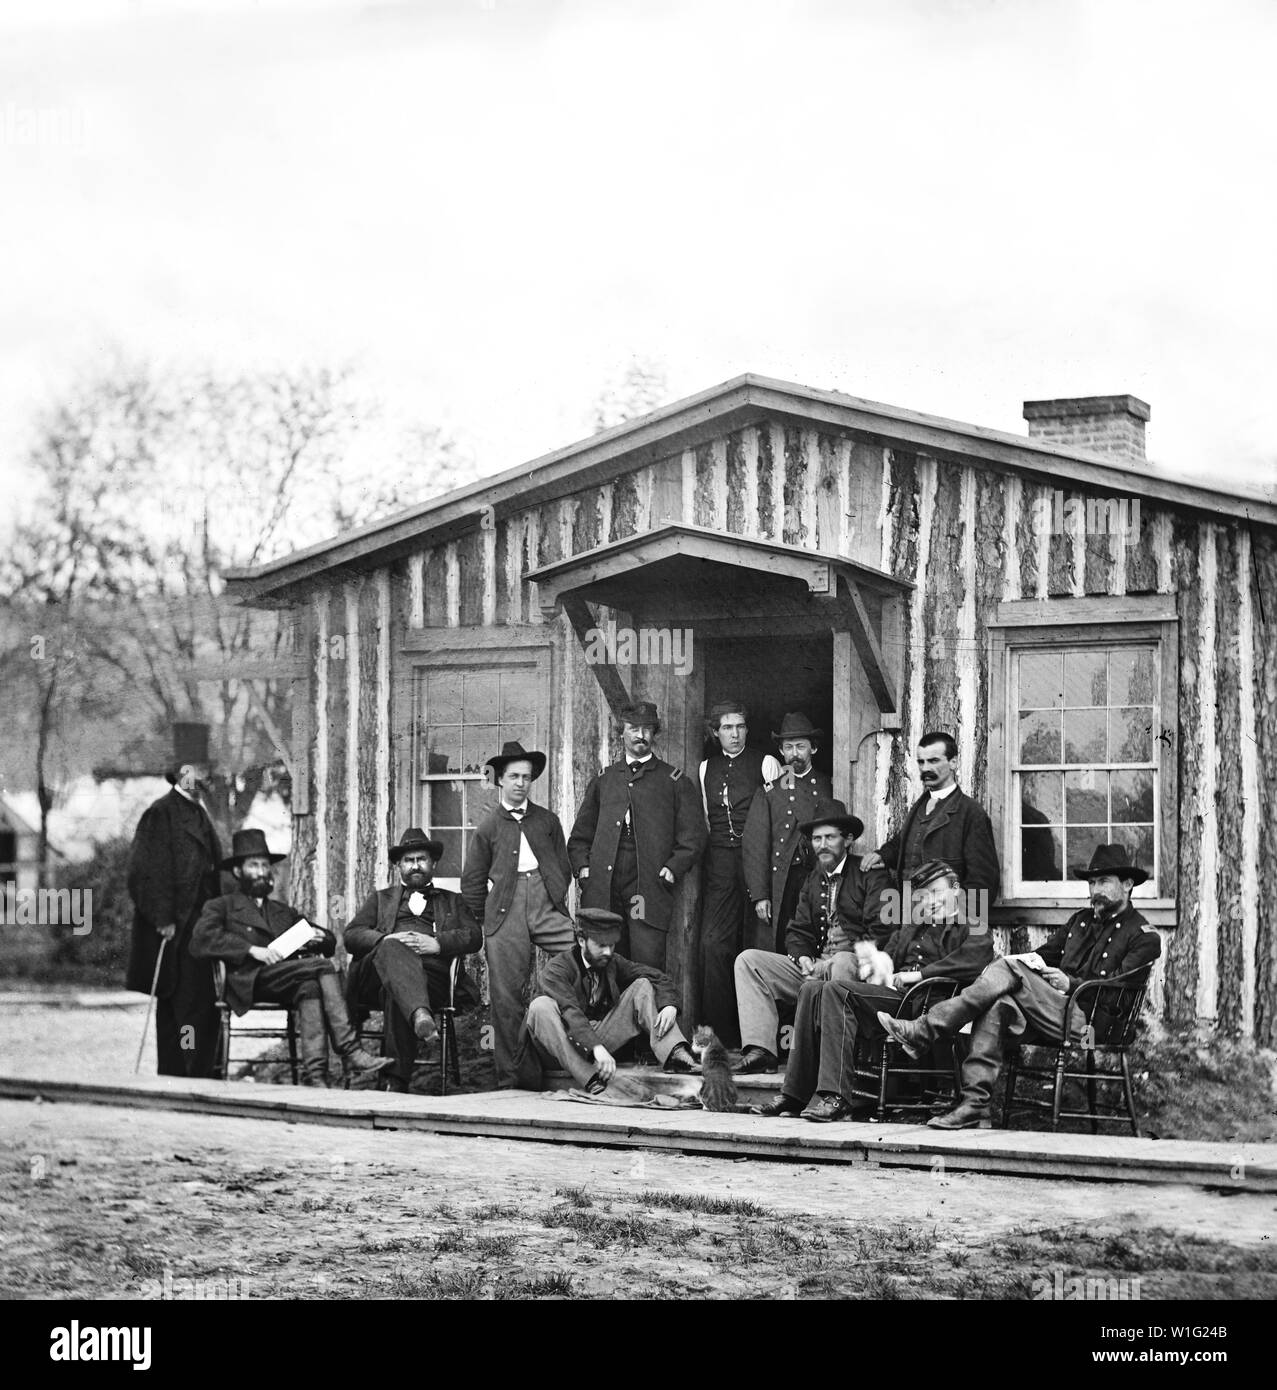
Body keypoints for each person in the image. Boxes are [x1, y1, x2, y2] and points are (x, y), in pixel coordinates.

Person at [879, 843, 1162, 1129]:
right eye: (1091, 882)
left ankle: (924, 1030)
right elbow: (1042, 955)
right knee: (997, 1004)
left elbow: (1118, 988)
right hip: (1051, 1014)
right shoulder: (1080, 921)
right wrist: (1027, 964)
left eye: (1103, 882)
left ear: (1127, 884)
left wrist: (1070, 982)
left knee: (1006, 967)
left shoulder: (1143, 935)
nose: (1094, 889)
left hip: (1091, 1027)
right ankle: (975, 1106)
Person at [751, 860, 994, 1121]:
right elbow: (888, 957)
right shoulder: (915, 925)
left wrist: (918, 975)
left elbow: (975, 960)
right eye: (923, 896)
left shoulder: (972, 921)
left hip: (927, 1005)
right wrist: (878, 962)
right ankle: (795, 1094)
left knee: (837, 991)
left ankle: (836, 1097)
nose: (930, 902)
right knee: (812, 988)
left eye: (937, 893)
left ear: (955, 890)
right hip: (897, 998)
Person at [190, 829, 391, 1087]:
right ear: (238, 872)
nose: (262, 871)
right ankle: (349, 1048)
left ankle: (316, 1076)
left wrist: (320, 937)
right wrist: (251, 950)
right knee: (320, 966)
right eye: (253, 865)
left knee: (310, 988)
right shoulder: (221, 906)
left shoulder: (281, 911)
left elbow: (328, 939)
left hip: (285, 979)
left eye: (265, 865)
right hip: (247, 979)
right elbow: (201, 940)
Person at [732, 802, 885, 1074]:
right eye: (816, 838)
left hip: (854, 968)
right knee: (749, 961)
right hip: (817, 966)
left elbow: (881, 932)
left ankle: (831, 1064)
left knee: (841, 962)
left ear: (848, 839)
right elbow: (799, 929)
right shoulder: (814, 879)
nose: (822, 845)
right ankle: (761, 1050)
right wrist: (803, 957)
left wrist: (841, 958)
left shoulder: (869, 874)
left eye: (830, 837)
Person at [462, 741, 576, 1089]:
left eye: (526, 777)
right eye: (513, 776)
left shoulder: (547, 820)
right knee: (506, 997)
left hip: (545, 902)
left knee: (581, 958)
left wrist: (554, 894)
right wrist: (488, 921)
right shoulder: (488, 827)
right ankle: (511, 1077)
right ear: (500, 780)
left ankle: (579, 1052)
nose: (520, 783)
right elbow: (473, 882)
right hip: (504, 908)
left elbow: (562, 864)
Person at [568, 701, 706, 971]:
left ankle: (646, 1013)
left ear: (654, 734)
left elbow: (694, 837)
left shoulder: (674, 780)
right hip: (605, 885)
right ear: (622, 732)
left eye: (646, 729)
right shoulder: (605, 779)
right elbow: (580, 836)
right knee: (602, 963)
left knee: (646, 962)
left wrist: (671, 869)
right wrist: (584, 869)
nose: (639, 735)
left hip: (647, 886)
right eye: (633, 728)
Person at [345, 828, 482, 1094]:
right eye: (409, 860)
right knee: (392, 948)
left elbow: (474, 936)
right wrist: (386, 940)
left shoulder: (453, 901)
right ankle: (420, 1013)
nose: (415, 865)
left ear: (433, 863)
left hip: (432, 980)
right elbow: (351, 935)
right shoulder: (380, 899)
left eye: (421, 859)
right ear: (399, 865)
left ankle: (393, 1083)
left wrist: (438, 943)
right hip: (378, 974)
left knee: (397, 991)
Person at [125, 727, 224, 1078]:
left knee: (198, 1006)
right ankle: (183, 1073)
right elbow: (143, 873)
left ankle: (191, 1071)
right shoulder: (161, 813)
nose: (206, 775)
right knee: (184, 1008)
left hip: (201, 927)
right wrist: (163, 918)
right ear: (183, 771)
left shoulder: (198, 812)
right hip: (176, 931)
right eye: (200, 768)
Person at [522, 908, 699, 1092]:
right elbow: (570, 1012)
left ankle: (675, 1054)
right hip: (559, 1046)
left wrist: (669, 1005)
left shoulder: (612, 961)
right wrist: (596, 1048)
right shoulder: (557, 969)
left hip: (595, 1045)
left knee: (643, 986)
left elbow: (656, 977)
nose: (607, 951)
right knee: (540, 1006)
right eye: (600, 945)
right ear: (582, 941)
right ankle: (591, 1078)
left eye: (612, 945)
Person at [696, 699, 783, 1045]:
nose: (734, 734)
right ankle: (720, 1036)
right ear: (715, 733)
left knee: (757, 945)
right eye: (727, 728)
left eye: (739, 727)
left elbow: (776, 820)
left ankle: (759, 1040)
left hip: (757, 861)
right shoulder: (706, 768)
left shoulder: (766, 763)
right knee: (713, 944)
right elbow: (706, 818)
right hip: (719, 863)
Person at [861, 731, 999, 930]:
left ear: (953, 762)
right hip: (910, 921)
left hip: (947, 925)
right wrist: (882, 855)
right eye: (921, 762)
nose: (926, 769)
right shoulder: (920, 806)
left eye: (934, 761)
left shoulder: (970, 813)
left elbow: (983, 881)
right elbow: (904, 844)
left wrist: (957, 923)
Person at [742, 712, 834, 953]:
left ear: (813, 749)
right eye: (789, 747)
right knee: (782, 944)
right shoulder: (769, 792)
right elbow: (755, 846)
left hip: (815, 877)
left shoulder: (829, 785)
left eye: (801, 746)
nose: (795, 753)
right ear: (781, 751)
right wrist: (760, 895)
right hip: (782, 881)